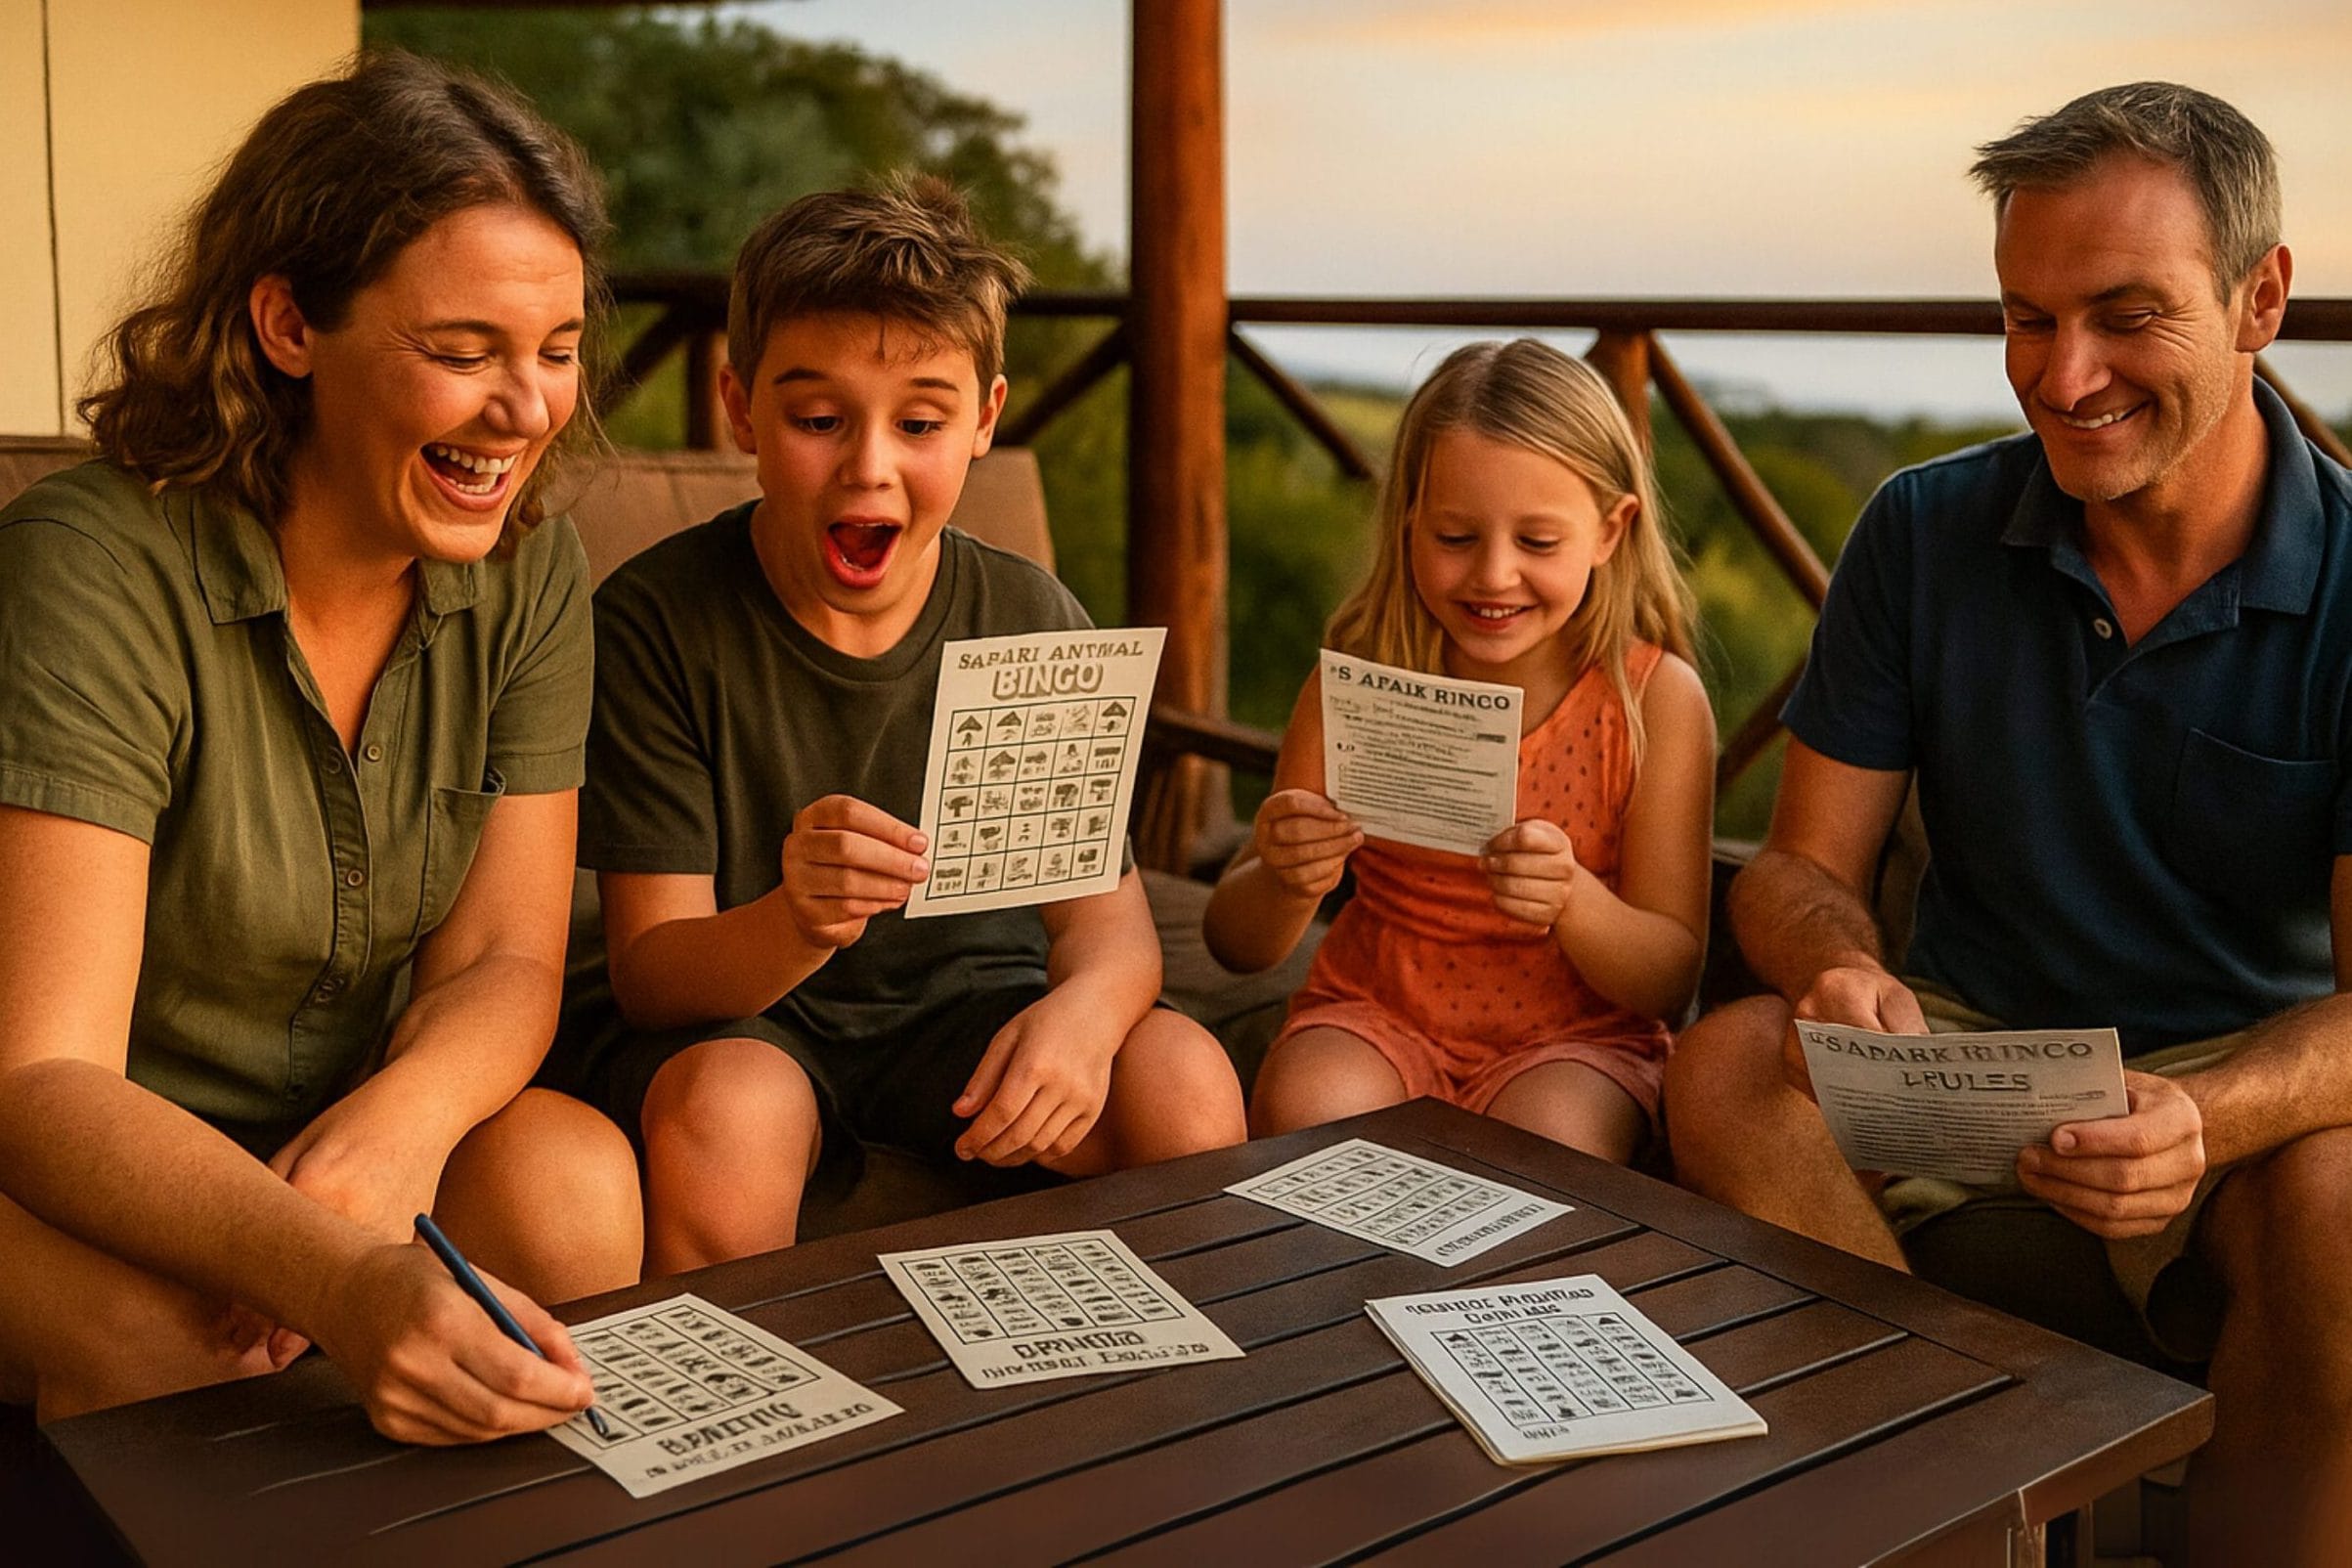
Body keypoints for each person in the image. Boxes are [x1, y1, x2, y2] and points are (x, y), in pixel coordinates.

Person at [1663, 83, 2352, 1564]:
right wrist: (1834, 966)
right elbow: (1795, 871)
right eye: (2025, 319)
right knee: (1726, 1065)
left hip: (2229, 1089)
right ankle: (1964, 1487)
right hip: (1955, 1044)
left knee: (2343, 1190)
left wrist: (2208, 1116)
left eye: (2123, 314)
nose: (2063, 375)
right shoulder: (1917, 528)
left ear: (2259, 300)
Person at [0, 54, 643, 1444]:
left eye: (554, 348)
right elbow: (44, 1081)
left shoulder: (532, 568)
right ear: (290, 324)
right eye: (463, 352)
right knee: (174, 1340)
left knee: (572, 1182)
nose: (527, 410)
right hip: (57, 1147)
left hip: (326, 1123)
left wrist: (394, 1131)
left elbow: (505, 962)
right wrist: (333, 1269)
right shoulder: (91, 566)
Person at [569, 178, 1245, 1276]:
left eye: (920, 422)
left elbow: (1107, 927)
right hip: (743, 1017)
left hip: (967, 1006)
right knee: (732, 1107)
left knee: (1185, 1075)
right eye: (818, 418)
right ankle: (763, 1416)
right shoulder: (654, 623)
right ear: (741, 408)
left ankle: (1159, 1409)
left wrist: (1083, 1015)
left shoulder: (1029, 616)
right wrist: (794, 916)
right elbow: (652, 968)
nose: (868, 465)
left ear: (984, 418)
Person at [1204, 339, 1717, 1160]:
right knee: (1307, 1111)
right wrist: (1282, 876)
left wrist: (1573, 900)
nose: (1494, 575)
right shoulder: (1361, 680)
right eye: (1454, 536)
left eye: (1539, 544)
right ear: (1410, 520)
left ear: (1611, 531)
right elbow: (1236, 942)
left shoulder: (1655, 701)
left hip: (1575, 1041)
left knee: (1556, 1147)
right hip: (1376, 1015)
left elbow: (1671, 978)